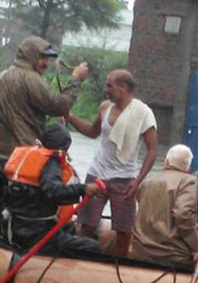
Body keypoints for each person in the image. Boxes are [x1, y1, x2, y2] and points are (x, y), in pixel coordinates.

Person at [0, 35, 88, 231]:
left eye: (48, 59)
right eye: (43, 58)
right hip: (23, 163)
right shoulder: (32, 80)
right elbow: (59, 106)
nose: (46, 63)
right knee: (23, 213)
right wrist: (75, 81)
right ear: (31, 56)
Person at [66, 69, 158, 257]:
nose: (105, 89)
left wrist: (138, 180)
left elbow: (153, 149)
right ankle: (77, 262)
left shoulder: (143, 113)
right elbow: (93, 132)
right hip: (97, 173)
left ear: (123, 88)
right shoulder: (105, 107)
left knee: (124, 231)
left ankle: (119, 269)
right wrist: (70, 118)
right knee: (87, 225)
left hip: (125, 179)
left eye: (109, 85)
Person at [0, 124, 102, 257]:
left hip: (13, 227)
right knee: (94, 247)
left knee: (69, 228)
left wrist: (3, 204)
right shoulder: (51, 165)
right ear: (63, 149)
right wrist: (83, 189)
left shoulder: (21, 160)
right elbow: (53, 191)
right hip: (38, 236)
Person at [129, 144, 198, 269]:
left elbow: (160, 216)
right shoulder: (190, 181)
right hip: (169, 254)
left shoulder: (148, 181)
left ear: (166, 161)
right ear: (188, 167)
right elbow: (182, 215)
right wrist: (197, 248)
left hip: (141, 250)